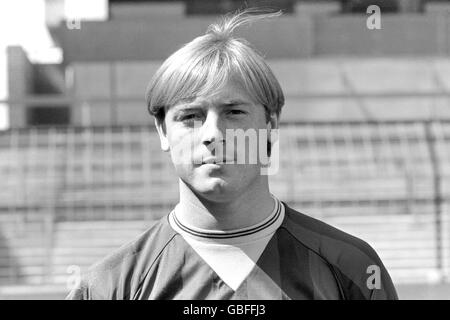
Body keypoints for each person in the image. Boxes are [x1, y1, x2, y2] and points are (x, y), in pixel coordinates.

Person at [67, 9, 398, 300]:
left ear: (270, 124)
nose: (212, 134)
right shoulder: (107, 287)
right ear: (162, 131)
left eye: (234, 112)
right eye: (190, 116)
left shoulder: (353, 269)